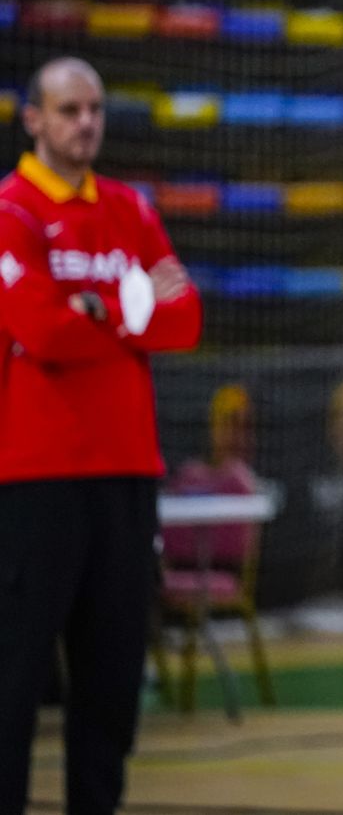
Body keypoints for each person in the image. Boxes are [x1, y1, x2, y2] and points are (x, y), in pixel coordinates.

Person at [0, 56, 203, 815]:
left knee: (112, 680)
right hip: (34, 479)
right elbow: (41, 330)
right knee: (16, 678)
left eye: (94, 109)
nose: (85, 122)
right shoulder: (12, 210)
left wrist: (96, 307)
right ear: (34, 119)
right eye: (68, 109)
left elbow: (186, 319)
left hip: (126, 475)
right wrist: (134, 307)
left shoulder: (130, 207)